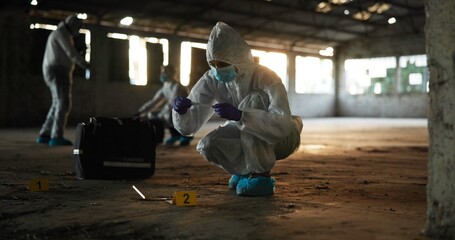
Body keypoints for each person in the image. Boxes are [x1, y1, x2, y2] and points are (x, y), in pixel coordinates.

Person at [172, 22, 303, 197]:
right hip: (246, 133)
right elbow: (188, 128)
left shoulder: (265, 77)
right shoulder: (211, 78)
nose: (217, 69)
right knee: (210, 145)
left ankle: (261, 175)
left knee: (255, 99)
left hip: (280, 137)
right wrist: (181, 111)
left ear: (237, 58)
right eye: (213, 64)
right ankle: (243, 171)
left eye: (222, 63)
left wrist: (242, 115)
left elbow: (282, 125)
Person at [36, 14, 90, 146]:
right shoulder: (62, 34)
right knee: (63, 102)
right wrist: (86, 65)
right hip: (58, 71)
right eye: (79, 27)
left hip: (54, 70)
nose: (79, 30)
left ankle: (45, 133)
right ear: (74, 25)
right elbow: (71, 54)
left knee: (57, 103)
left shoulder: (61, 33)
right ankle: (56, 136)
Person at [136, 65, 193, 146]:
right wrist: (141, 111)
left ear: (171, 73)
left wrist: (162, 113)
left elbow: (173, 103)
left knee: (168, 114)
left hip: (183, 111)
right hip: (171, 109)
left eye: (165, 72)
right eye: (162, 72)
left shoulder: (177, 86)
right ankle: (175, 135)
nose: (162, 74)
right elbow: (154, 100)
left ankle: (185, 136)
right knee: (154, 115)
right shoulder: (166, 86)